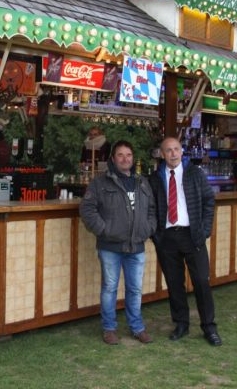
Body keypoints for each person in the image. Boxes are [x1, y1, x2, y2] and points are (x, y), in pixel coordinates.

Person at [79, 140, 156, 345]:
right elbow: (87, 209)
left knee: (135, 289)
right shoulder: (101, 182)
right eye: (120, 155)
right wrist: (104, 230)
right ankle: (109, 328)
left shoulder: (142, 182)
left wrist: (148, 229)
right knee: (110, 288)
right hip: (110, 246)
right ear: (113, 158)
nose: (125, 159)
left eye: (128, 155)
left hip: (137, 245)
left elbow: (151, 210)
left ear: (133, 158)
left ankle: (137, 328)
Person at [148, 136, 221, 346]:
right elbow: (151, 208)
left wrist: (205, 229)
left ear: (182, 151)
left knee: (201, 282)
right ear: (162, 154)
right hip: (167, 237)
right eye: (168, 150)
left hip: (192, 235)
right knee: (174, 284)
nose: (173, 154)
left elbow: (209, 200)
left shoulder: (195, 174)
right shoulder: (155, 178)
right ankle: (181, 323)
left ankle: (209, 327)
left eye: (176, 149)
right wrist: (156, 234)